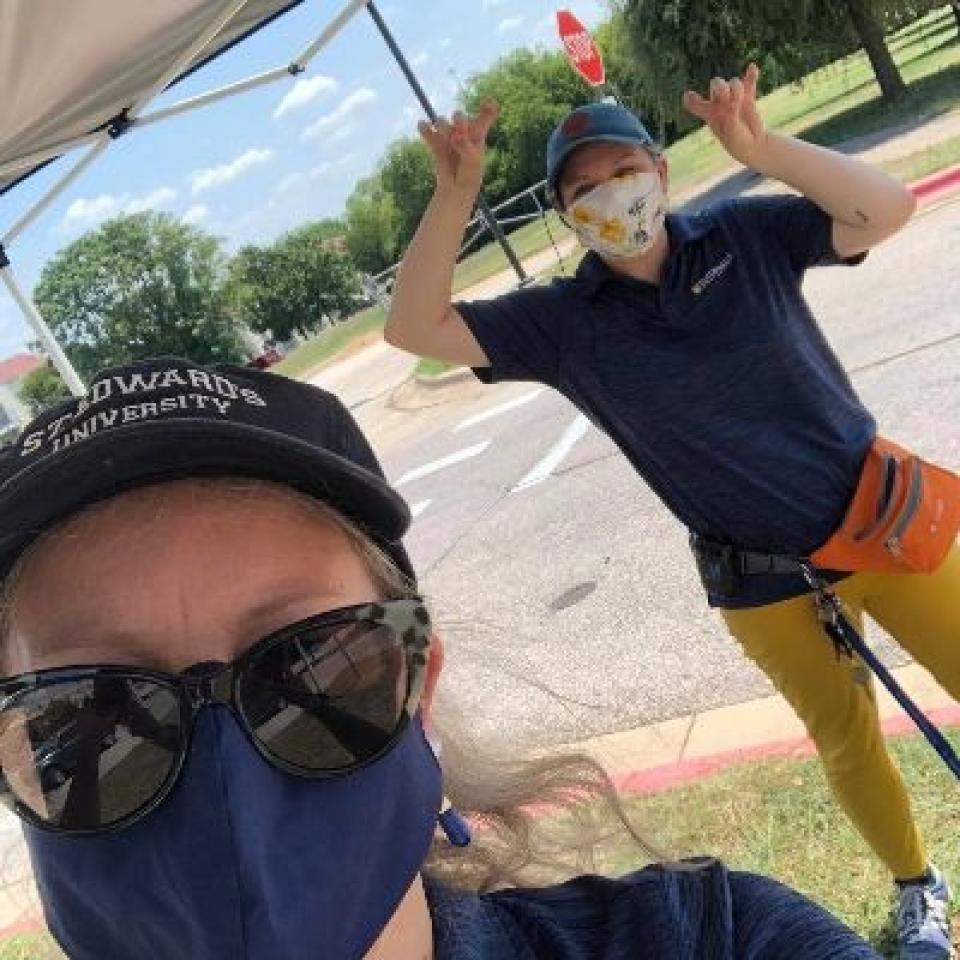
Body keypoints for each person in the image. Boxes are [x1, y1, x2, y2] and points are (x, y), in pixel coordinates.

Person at [0, 357, 882, 959]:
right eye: (86, 715)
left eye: (315, 665)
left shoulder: (711, 940)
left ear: (420, 685)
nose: (227, 787)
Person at [383, 64, 960, 959]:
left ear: (656, 168)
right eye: (583, 187)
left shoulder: (741, 234)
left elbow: (882, 209)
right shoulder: (566, 321)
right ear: (566, 210)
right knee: (846, 743)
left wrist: (760, 149)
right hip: (764, 579)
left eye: (621, 170)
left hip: (880, 524)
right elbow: (415, 329)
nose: (609, 195)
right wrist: (455, 192)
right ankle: (917, 888)